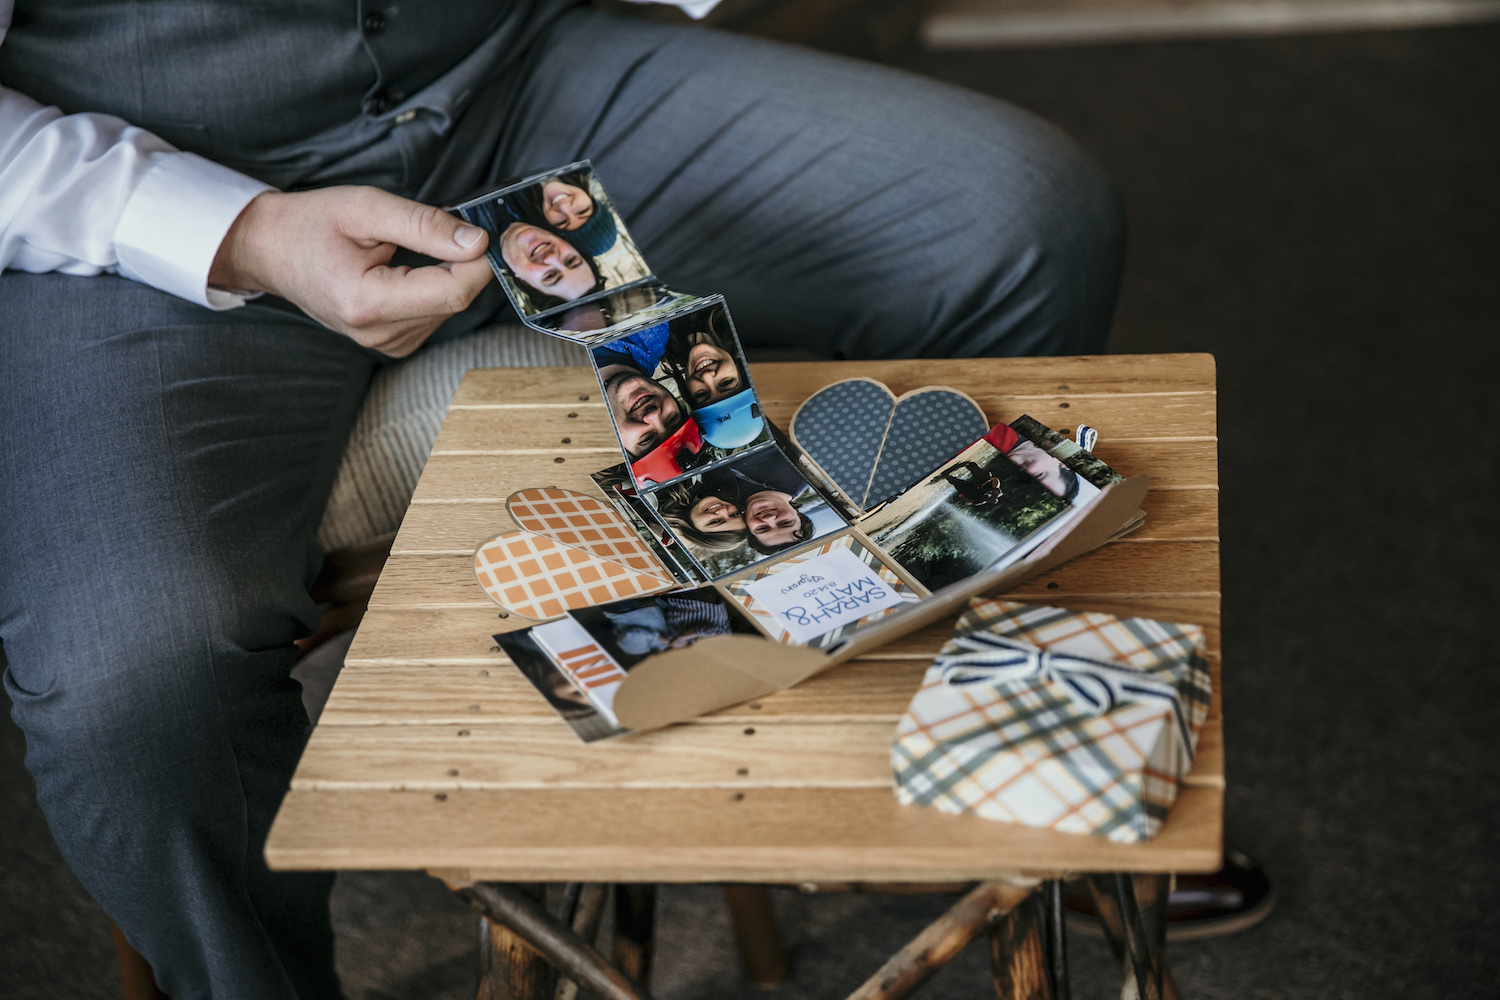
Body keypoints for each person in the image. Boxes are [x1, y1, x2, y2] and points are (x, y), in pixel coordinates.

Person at [0, 2, 1130, 997]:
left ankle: (974, 761)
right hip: (129, 190)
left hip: (503, 72)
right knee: (130, 679)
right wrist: (236, 232)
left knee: (1024, 222)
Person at [660, 305, 745, 406]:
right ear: (739, 368)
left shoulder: (660, 348)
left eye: (701, 394)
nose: (707, 376)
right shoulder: (740, 314)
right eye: (726, 382)